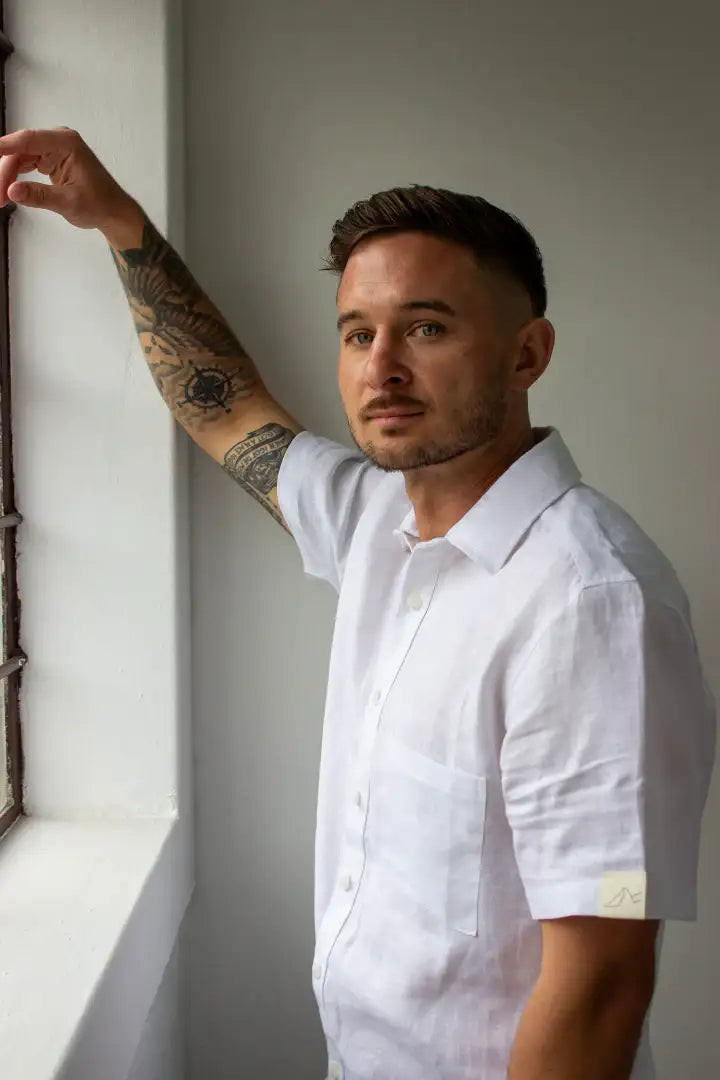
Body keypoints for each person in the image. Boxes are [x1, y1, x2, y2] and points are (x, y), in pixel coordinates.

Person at [0, 127, 715, 1080]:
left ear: (528, 353)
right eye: (355, 333)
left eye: (426, 327)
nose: (380, 368)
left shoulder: (591, 606)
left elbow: (601, 983)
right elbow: (227, 409)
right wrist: (124, 228)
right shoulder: (378, 525)